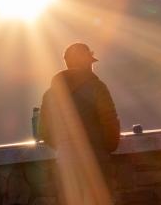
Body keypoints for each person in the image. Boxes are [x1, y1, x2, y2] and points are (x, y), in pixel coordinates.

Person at [39, 43, 120, 205]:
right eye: (90, 62)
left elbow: (44, 131)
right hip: (96, 160)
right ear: (85, 63)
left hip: (66, 163)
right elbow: (109, 121)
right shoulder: (97, 87)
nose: (91, 66)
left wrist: (65, 145)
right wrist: (106, 146)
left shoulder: (49, 95)